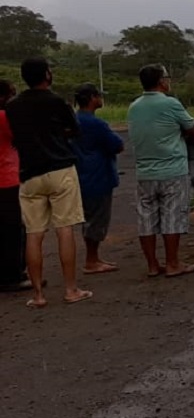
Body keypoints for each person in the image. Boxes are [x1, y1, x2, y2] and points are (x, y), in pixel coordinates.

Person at [5, 57, 91, 307]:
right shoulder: (56, 101)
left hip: (29, 173)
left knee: (34, 233)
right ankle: (71, 290)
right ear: (46, 75)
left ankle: (38, 295)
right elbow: (74, 130)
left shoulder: (12, 106)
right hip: (60, 169)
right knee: (65, 229)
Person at [127, 65, 194, 279]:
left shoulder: (134, 107)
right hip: (172, 170)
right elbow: (192, 128)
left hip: (144, 173)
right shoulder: (170, 103)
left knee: (146, 219)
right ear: (161, 81)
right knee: (172, 217)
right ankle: (172, 263)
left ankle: (152, 265)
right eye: (167, 77)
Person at [71, 83, 124, 275]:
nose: (101, 99)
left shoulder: (73, 120)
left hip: (81, 174)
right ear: (92, 98)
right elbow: (117, 145)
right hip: (98, 176)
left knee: (88, 218)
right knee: (97, 220)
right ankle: (91, 260)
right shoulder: (96, 124)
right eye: (99, 96)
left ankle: (93, 258)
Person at [0, 79, 32, 292]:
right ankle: (13, 275)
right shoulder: (4, 117)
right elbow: (20, 137)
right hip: (7, 178)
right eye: (11, 93)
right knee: (14, 231)